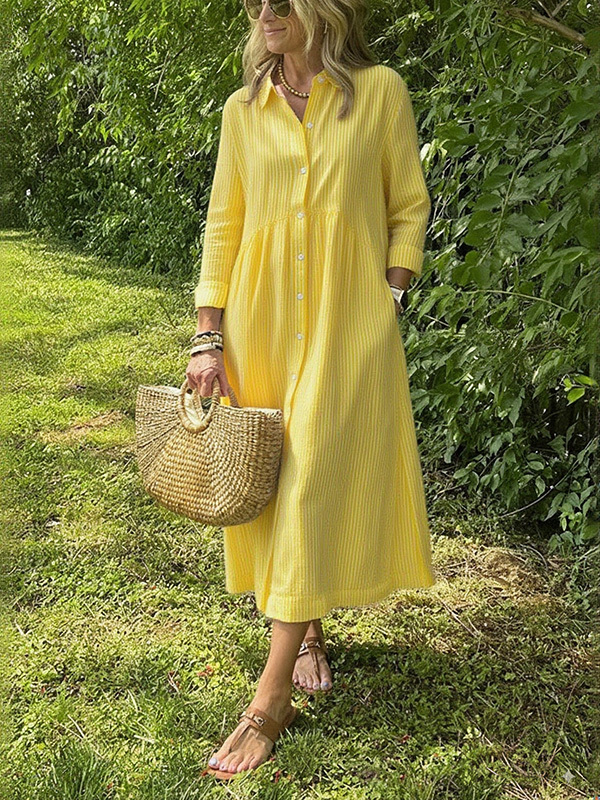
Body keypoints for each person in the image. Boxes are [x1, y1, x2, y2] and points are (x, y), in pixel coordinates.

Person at [187, 0, 437, 780]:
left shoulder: (381, 93)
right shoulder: (242, 111)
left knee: (311, 480)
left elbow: (408, 206)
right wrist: (207, 336)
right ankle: (310, 630)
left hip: (346, 324)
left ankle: (268, 701)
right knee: (282, 487)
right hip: (260, 326)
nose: (264, 11)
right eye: (255, 0)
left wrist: (389, 297)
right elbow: (224, 224)